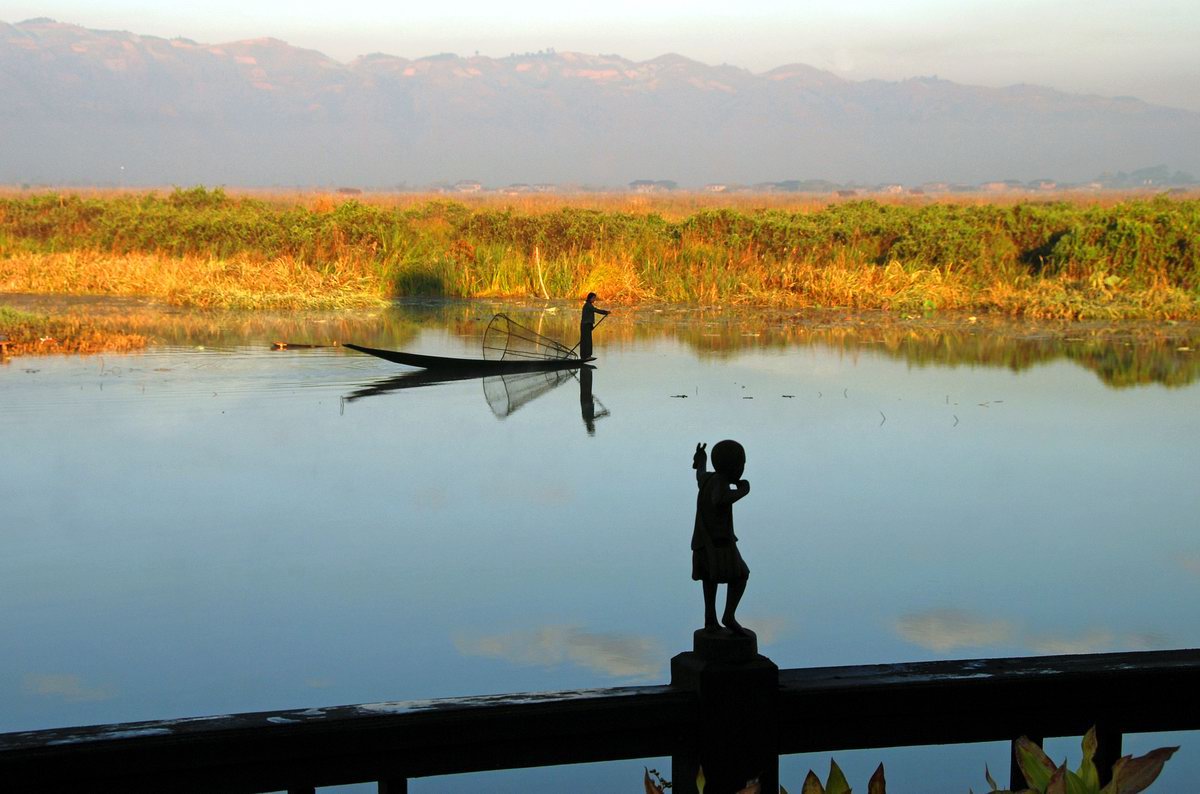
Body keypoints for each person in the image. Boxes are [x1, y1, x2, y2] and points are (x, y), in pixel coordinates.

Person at [691, 440, 751, 636]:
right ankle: (729, 616)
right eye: (742, 465)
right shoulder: (721, 482)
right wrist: (742, 491)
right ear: (734, 467)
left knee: (709, 578)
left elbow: (700, 474)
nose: (743, 469)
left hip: (702, 542)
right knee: (741, 574)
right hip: (719, 543)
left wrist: (701, 460)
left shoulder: (709, 479)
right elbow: (720, 499)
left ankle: (710, 619)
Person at [578, 292, 609, 360]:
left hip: (586, 325)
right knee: (587, 341)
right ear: (590, 298)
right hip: (586, 325)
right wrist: (605, 312)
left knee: (584, 340)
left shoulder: (588, 305)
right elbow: (596, 310)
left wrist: (591, 325)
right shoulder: (588, 305)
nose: (594, 299)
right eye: (594, 298)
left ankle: (584, 356)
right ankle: (586, 356)